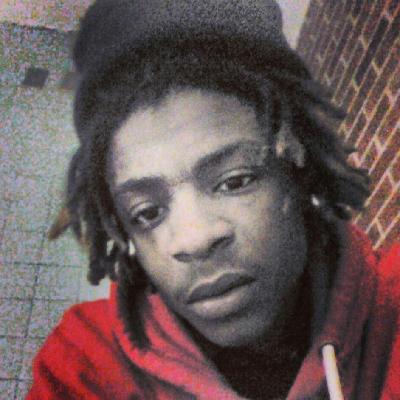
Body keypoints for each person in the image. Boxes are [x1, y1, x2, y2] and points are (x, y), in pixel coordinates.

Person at [27, 1, 400, 399]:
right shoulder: (84, 365)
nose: (195, 239)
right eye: (147, 213)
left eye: (234, 181)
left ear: (299, 168)